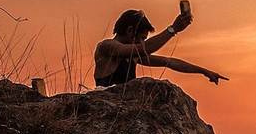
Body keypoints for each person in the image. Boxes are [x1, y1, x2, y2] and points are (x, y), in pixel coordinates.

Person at [94, 8, 227, 87]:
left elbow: (168, 62)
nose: (142, 42)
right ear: (130, 31)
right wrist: (172, 29)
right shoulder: (106, 47)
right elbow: (144, 48)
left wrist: (204, 71)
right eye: (141, 38)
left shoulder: (133, 56)